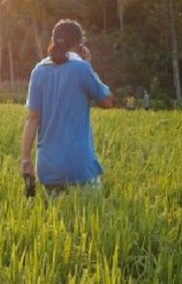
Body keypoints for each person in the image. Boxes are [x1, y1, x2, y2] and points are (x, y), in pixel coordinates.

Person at [20, 19, 114, 195]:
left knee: (57, 221)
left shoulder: (38, 71)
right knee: (89, 220)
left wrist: (25, 159)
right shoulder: (82, 68)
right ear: (79, 45)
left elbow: (32, 119)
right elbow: (107, 101)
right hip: (79, 167)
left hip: (48, 170)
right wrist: (89, 65)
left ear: (53, 41)